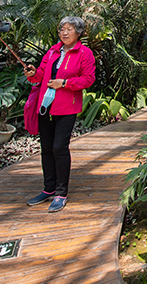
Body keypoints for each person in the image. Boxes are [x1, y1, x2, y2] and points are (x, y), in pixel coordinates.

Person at [24, 16, 96, 212]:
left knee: (59, 148)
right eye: (62, 29)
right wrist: (32, 74)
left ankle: (61, 192)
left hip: (66, 108)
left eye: (69, 29)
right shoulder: (53, 51)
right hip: (45, 105)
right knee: (46, 148)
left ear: (79, 33)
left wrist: (64, 83)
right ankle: (48, 188)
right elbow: (40, 75)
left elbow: (88, 79)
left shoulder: (85, 53)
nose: (64, 33)